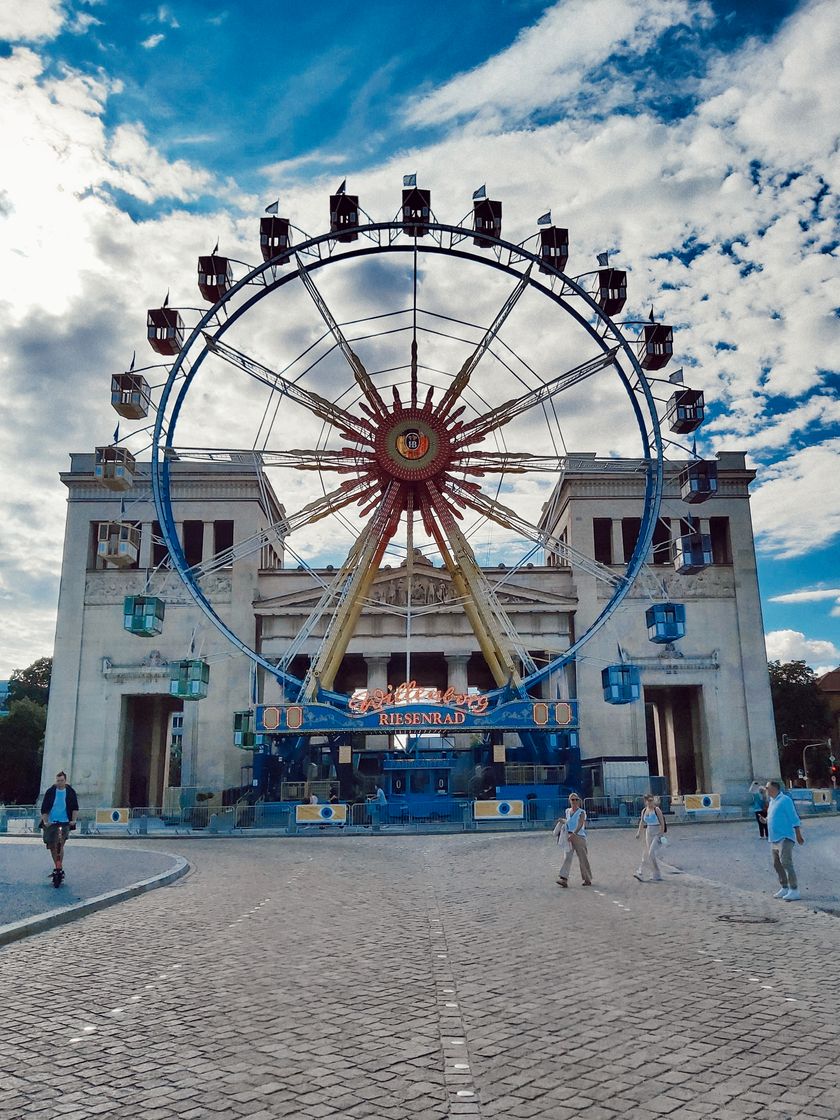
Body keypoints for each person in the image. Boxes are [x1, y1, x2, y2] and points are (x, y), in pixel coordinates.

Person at [764, 779, 804, 901]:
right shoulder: (772, 802)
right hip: (774, 838)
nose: (766, 790)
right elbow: (774, 817)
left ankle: (794, 889)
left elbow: (793, 817)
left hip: (785, 837)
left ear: (774, 789)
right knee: (777, 864)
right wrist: (765, 820)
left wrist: (798, 834)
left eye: (767, 788)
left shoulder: (785, 800)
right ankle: (784, 887)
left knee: (786, 862)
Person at [40, 771, 79, 886]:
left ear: (65, 780)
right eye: (58, 781)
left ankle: (59, 867)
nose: (59, 783)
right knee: (52, 845)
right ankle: (57, 865)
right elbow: (44, 808)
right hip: (51, 822)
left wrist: (73, 820)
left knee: (60, 844)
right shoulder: (51, 792)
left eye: (61, 780)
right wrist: (45, 821)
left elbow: (75, 807)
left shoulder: (70, 792)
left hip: (65, 822)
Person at [553, 793, 592, 887]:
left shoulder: (582, 812)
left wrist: (574, 834)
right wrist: (562, 821)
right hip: (568, 835)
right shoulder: (567, 811)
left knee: (583, 858)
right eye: (572, 800)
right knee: (567, 857)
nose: (574, 801)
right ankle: (564, 878)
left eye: (576, 799)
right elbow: (569, 821)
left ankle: (587, 878)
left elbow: (580, 824)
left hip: (579, 837)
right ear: (569, 801)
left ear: (578, 801)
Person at [634, 794, 666, 882]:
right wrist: (639, 832)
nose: (650, 802)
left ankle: (651, 872)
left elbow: (662, 822)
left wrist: (661, 834)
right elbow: (642, 822)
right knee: (648, 853)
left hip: (657, 831)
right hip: (649, 831)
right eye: (648, 800)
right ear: (645, 801)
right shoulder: (644, 811)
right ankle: (651, 873)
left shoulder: (657, 810)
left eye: (651, 800)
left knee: (651, 852)